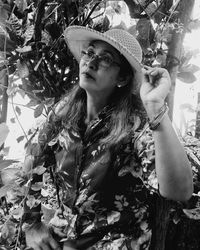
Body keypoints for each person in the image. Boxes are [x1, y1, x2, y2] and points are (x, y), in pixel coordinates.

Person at [23, 25, 193, 250]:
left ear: (122, 77)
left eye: (105, 59)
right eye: (89, 52)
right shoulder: (62, 113)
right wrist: (32, 224)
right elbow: (32, 168)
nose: (91, 62)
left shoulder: (134, 125)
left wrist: (155, 106)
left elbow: (179, 191)